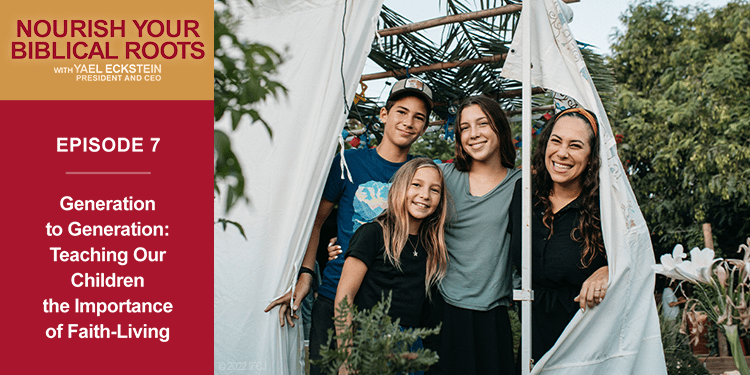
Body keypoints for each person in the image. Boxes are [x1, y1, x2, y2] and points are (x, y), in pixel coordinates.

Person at [264, 77, 434, 375]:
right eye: (401, 112)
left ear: (424, 127)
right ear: (384, 115)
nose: (408, 122)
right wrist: (306, 275)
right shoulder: (347, 162)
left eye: (418, 117)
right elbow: (315, 221)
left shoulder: (422, 173)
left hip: (388, 307)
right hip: (336, 296)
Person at [424, 96, 521, 374]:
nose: (473, 134)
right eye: (465, 128)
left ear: (500, 129)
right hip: (443, 306)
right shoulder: (442, 176)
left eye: (482, 124)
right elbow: (396, 195)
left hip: (493, 312)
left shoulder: (522, 184)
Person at [509, 107, 609, 364]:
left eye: (575, 145)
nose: (562, 153)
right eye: (556, 141)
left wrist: (609, 270)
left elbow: (640, 257)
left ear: (591, 157)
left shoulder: (607, 206)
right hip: (534, 340)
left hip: (588, 344)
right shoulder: (525, 192)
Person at [334, 158, 450, 375]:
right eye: (416, 185)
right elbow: (344, 296)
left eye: (434, 190)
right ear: (400, 187)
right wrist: (347, 357)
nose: (425, 195)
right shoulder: (374, 233)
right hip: (370, 341)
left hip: (412, 343)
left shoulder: (431, 244)